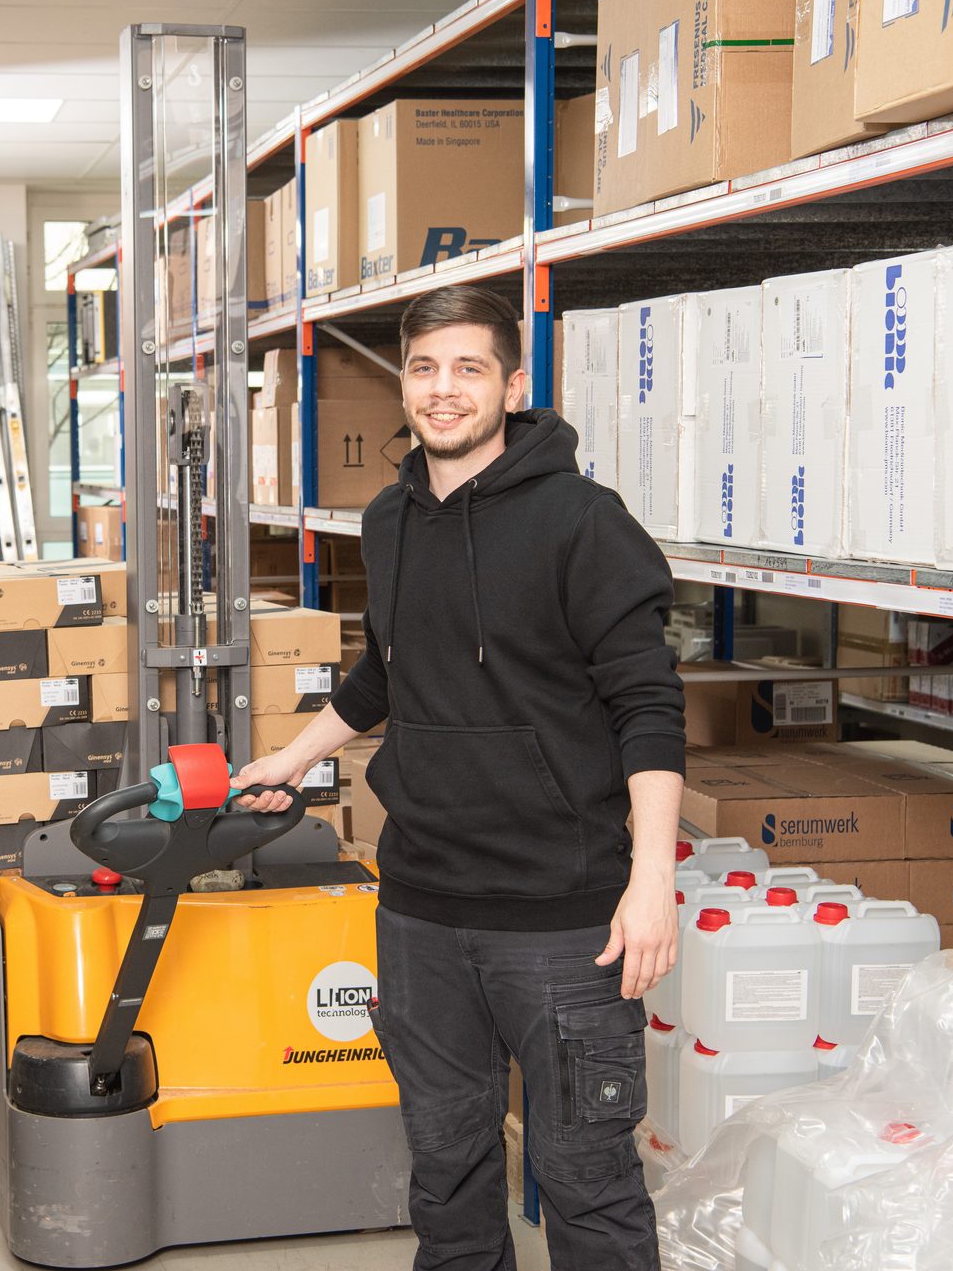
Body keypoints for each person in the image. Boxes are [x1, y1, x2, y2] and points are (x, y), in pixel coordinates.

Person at [231, 286, 685, 1270]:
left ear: (512, 384)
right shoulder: (390, 518)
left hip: (565, 919)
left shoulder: (581, 521)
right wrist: (295, 758)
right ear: (403, 383)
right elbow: (387, 670)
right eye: (425, 369)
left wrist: (652, 881)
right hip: (424, 908)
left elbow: (648, 705)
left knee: (589, 1186)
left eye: (469, 368)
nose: (444, 392)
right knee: (445, 1176)